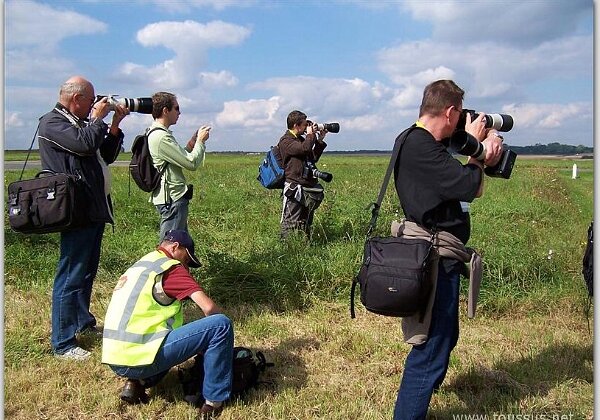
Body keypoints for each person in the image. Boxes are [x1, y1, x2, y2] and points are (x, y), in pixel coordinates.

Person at [392, 79, 503, 419]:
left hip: (440, 255)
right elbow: (470, 186)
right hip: (434, 257)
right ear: (452, 111)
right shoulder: (420, 145)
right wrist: (479, 154)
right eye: (460, 117)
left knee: (446, 333)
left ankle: (428, 387)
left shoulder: (415, 140)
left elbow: (454, 181)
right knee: (431, 346)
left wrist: (471, 144)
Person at [38, 75, 129, 360]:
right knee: (70, 275)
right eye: (91, 100)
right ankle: (63, 342)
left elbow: (105, 154)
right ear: (76, 99)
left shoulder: (80, 124)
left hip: (93, 208)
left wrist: (113, 125)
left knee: (86, 271)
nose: (94, 104)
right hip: (75, 211)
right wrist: (98, 119)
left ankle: (82, 323)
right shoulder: (52, 123)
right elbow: (85, 145)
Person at [102, 229, 234, 418]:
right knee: (220, 325)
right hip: (139, 355)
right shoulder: (171, 268)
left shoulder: (140, 266)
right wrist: (219, 346)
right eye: (186, 260)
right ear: (175, 247)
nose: (185, 266)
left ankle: (136, 382)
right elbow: (209, 308)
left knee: (168, 332)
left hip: (115, 357)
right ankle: (214, 402)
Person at [147, 91, 211, 240]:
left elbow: (180, 157)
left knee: (179, 244)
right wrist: (200, 142)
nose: (179, 112)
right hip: (172, 199)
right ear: (165, 110)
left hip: (171, 198)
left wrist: (192, 142)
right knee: (170, 246)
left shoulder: (159, 133)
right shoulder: (161, 137)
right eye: (176, 108)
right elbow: (191, 163)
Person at [277, 110, 328, 238]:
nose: (307, 127)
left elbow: (312, 158)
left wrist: (320, 140)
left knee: (305, 222)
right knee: (290, 222)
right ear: (296, 125)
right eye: (305, 124)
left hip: (306, 187)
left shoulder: (300, 140)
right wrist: (311, 135)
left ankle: (304, 246)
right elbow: (304, 148)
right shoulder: (286, 141)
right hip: (294, 188)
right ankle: (286, 249)